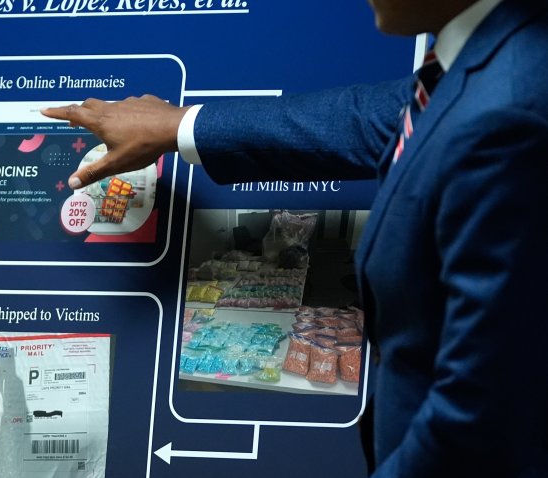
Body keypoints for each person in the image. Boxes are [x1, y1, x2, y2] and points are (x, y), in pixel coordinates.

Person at [42, 0, 548, 475]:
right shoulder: (489, 60)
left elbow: (482, 418)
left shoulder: (513, 111)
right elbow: (365, 116)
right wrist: (180, 125)